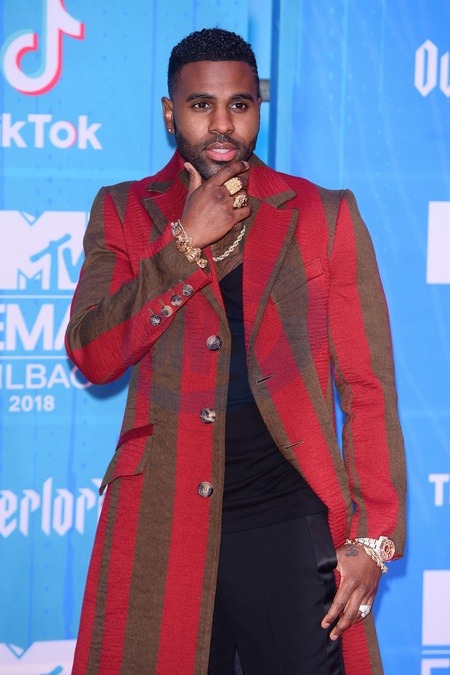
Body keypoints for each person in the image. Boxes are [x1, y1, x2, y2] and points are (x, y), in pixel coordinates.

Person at [66, 27, 406, 675]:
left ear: (258, 108)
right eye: (201, 105)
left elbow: (368, 387)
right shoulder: (124, 211)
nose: (222, 123)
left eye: (239, 105)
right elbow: (93, 353)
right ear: (170, 112)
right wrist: (183, 245)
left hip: (289, 514)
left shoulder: (323, 213)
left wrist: (373, 536)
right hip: (162, 520)